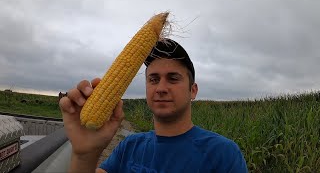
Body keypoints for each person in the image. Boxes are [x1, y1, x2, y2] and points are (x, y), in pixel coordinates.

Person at [59, 38, 248, 173]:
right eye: (153, 79)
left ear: (193, 90)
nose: (161, 88)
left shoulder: (223, 153)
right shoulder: (129, 147)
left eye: (173, 79)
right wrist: (84, 155)